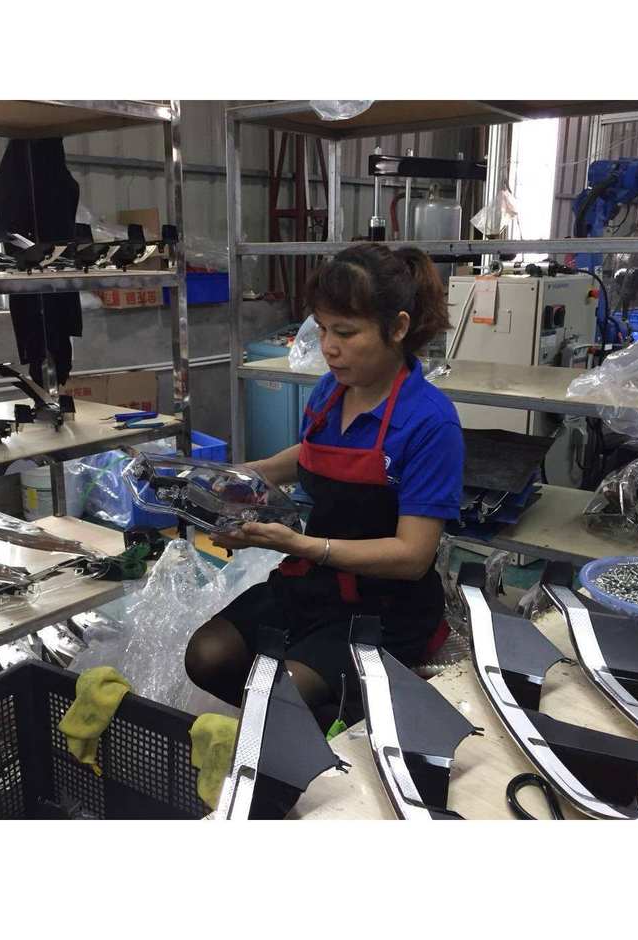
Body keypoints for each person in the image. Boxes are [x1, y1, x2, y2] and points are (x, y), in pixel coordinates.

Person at [185, 242, 464, 727]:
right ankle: (302, 725)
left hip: (386, 607)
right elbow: (313, 454)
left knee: (281, 696)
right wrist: (243, 476)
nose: (328, 347)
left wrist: (300, 545)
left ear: (398, 328)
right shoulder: (330, 392)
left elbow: (412, 555)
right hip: (311, 585)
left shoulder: (429, 422)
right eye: (322, 328)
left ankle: (336, 729)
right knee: (208, 656)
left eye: (346, 332)